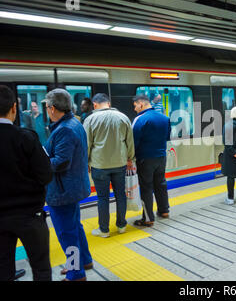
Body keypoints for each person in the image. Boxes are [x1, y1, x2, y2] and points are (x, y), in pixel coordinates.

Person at [0, 85, 53, 281]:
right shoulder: (26, 137)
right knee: (40, 267)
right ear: (14, 108)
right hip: (29, 215)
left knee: (3, 267)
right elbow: (46, 175)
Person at [43, 88, 93, 281]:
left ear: (53, 108)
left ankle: (75, 273)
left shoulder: (65, 129)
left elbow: (61, 162)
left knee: (67, 234)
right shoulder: (74, 123)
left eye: (47, 107)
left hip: (63, 192)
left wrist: (39, 160)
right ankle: (85, 260)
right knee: (75, 228)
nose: (47, 111)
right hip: (71, 188)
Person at [83, 93, 135, 237]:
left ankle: (104, 230)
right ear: (109, 103)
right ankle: (122, 225)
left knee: (102, 198)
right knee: (120, 195)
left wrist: (85, 162)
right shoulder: (123, 117)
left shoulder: (90, 119)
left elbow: (86, 144)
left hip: (99, 166)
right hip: (120, 163)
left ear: (94, 104)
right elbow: (129, 141)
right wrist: (130, 158)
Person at [132, 95, 171, 227]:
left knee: (146, 187)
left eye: (135, 106)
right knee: (161, 183)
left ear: (141, 104)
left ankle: (148, 218)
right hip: (161, 157)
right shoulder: (165, 118)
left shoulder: (140, 119)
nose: (135, 109)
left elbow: (133, 142)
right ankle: (164, 211)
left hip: (145, 159)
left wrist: (130, 158)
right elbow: (167, 137)